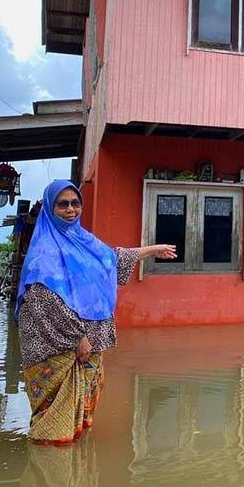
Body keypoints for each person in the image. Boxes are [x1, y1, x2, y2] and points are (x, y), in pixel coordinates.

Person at [16, 179, 176, 444]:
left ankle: (77, 474)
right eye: (63, 204)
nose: (71, 209)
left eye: (76, 203)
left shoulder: (84, 241)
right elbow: (43, 300)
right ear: (49, 208)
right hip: (57, 344)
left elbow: (112, 258)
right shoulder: (44, 251)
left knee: (83, 406)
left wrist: (153, 250)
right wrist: (77, 337)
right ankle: (48, 471)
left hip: (89, 342)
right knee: (53, 421)